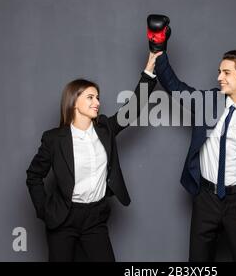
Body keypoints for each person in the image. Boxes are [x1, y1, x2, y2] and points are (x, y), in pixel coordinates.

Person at [145, 14, 236, 262]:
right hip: (206, 200)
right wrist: (158, 45)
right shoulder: (208, 101)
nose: (219, 77)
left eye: (226, 72)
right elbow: (174, 86)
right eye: (219, 72)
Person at [26, 63, 159, 261]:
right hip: (64, 217)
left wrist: (149, 68)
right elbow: (34, 176)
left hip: (95, 217)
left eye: (97, 97)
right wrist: (44, 210)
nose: (96, 102)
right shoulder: (54, 139)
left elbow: (132, 109)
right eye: (90, 97)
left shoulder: (105, 128)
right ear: (73, 102)